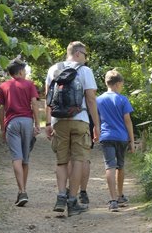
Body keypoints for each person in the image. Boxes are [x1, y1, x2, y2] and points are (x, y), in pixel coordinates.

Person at [45, 41, 99, 215]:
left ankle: (61, 196)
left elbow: (48, 98)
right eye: (85, 54)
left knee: (61, 160)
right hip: (80, 119)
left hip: (58, 120)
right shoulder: (85, 71)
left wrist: (48, 122)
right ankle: (72, 200)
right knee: (78, 160)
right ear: (77, 53)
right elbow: (91, 99)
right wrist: (96, 125)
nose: (86, 58)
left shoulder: (53, 69)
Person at [0, 58, 41, 206]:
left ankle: (22, 191)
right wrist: (37, 124)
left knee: (16, 158)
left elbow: (1, 109)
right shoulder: (29, 84)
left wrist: (2, 129)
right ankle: (23, 190)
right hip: (27, 122)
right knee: (25, 160)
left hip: (12, 123)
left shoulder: (3, 86)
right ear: (21, 71)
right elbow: (34, 103)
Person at [96, 69, 135, 211]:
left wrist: (95, 133)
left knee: (109, 166)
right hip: (121, 137)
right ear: (118, 84)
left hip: (106, 136)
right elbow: (128, 121)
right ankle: (120, 195)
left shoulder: (98, 100)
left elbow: (96, 120)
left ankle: (112, 200)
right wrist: (132, 141)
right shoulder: (122, 99)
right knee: (120, 166)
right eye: (122, 84)